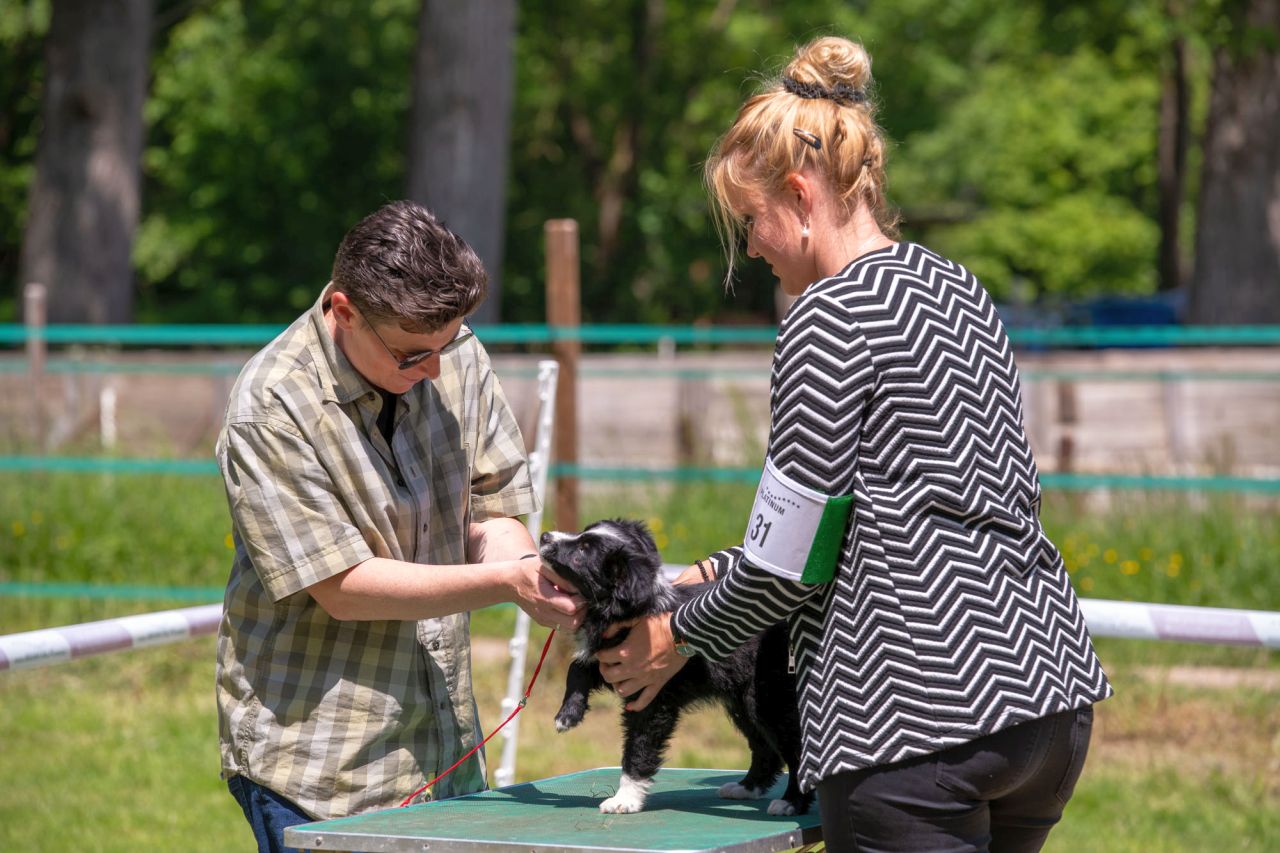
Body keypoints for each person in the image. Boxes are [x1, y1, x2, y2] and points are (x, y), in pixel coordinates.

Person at [596, 36, 1112, 852]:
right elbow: (882, 508)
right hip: (1046, 698)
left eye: (751, 221)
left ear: (800, 195)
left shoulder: (823, 320)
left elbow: (790, 561)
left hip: (914, 718)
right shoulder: (956, 286)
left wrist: (678, 631)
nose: (754, 247)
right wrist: (700, 576)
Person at [214, 200, 584, 851]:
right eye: (413, 355)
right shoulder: (270, 406)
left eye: (448, 345)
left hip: (446, 751)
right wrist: (508, 582)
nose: (439, 369)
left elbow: (492, 507)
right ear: (344, 310)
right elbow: (343, 585)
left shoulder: (450, 347)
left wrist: (533, 572)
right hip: (321, 771)